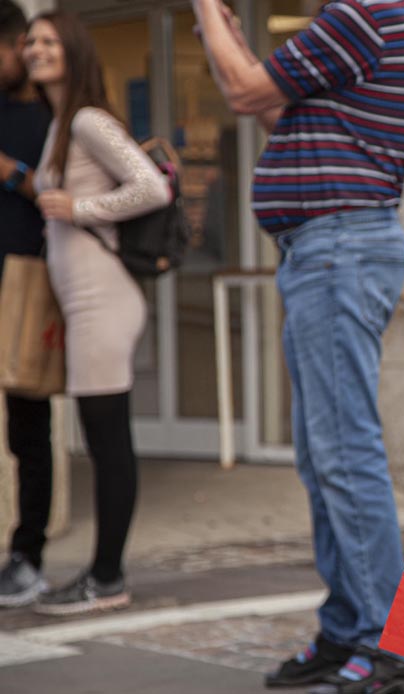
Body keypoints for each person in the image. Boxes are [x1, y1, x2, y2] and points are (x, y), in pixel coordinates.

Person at [190, 0, 404, 691]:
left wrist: (205, 9)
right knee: (324, 454)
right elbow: (268, 108)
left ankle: (387, 647)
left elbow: (242, 90)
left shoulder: (364, 12)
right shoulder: (351, 26)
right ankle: (349, 629)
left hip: (339, 247)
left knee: (344, 451)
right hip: (322, 250)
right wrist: (227, 37)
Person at [19, 11, 170, 615]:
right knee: (104, 433)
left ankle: (107, 577)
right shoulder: (61, 123)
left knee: (109, 437)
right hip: (83, 300)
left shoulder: (85, 119)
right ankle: (104, 574)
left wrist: (80, 206)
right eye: (31, 40)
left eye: (49, 40)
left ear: (74, 50)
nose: (35, 48)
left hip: (103, 298)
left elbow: (152, 186)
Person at [0, 0, 53, 609]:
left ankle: (28, 553)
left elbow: (65, 191)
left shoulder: (52, 114)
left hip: (28, 283)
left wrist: (11, 173)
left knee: (28, 430)